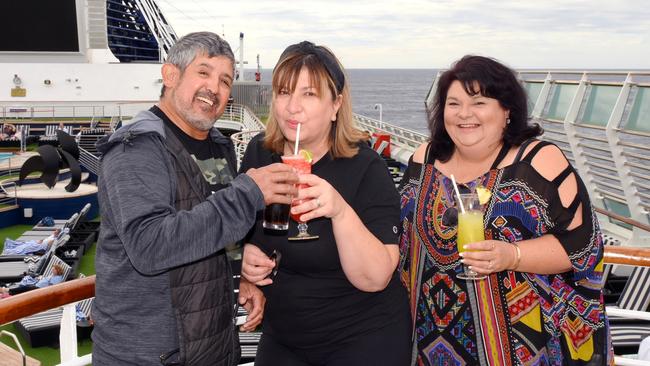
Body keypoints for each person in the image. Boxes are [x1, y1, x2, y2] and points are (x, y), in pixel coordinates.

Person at [93, 32, 298, 366]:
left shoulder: (219, 147)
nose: (214, 88)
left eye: (225, 80)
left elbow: (208, 229)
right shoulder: (136, 148)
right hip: (149, 354)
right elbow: (150, 245)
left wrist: (239, 276)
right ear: (171, 75)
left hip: (212, 347)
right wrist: (248, 194)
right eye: (203, 73)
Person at [398, 55, 613, 365]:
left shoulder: (538, 160)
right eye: (453, 104)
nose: (464, 114)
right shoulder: (424, 158)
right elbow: (400, 241)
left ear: (507, 110)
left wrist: (511, 255)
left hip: (523, 346)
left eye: (479, 103)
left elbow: (583, 247)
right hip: (429, 340)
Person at [240, 41, 411, 366]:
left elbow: (376, 278)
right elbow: (244, 230)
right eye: (284, 92)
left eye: (309, 94)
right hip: (285, 334)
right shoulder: (259, 154)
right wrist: (246, 261)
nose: (293, 107)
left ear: (336, 105)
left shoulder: (366, 168)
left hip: (363, 335)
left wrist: (340, 211)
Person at [0, 263, 66, 296]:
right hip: (37, 285)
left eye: (54, 269)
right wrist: (41, 278)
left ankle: (7, 290)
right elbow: (47, 280)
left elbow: (52, 287)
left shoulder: (57, 278)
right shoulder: (53, 275)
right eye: (52, 269)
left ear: (58, 270)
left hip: (41, 290)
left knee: (25, 288)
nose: (52, 270)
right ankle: (9, 293)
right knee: (25, 288)